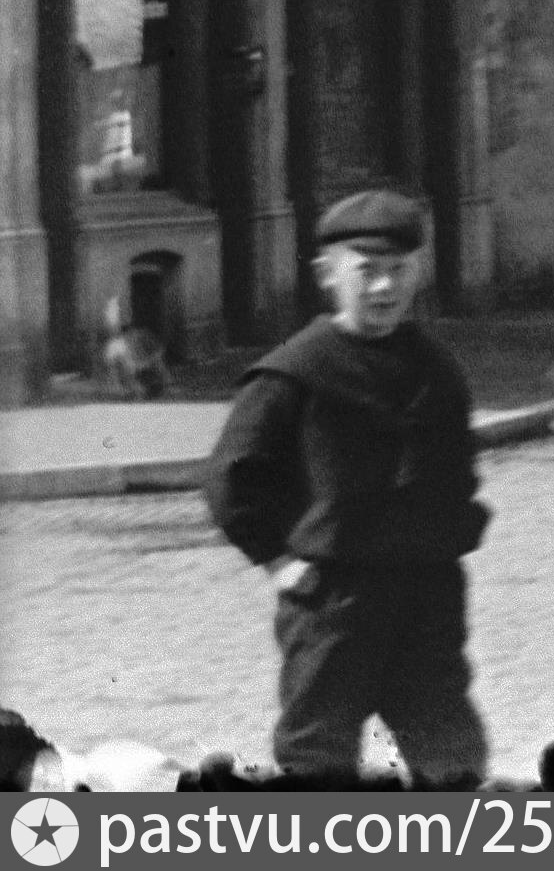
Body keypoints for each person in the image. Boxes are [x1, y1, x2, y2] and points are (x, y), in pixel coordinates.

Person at [204, 189, 489, 785]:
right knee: (319, 758)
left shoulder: (437, 369)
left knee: (451, 754)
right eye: (366, 271)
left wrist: (449, 536)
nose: (384, 288)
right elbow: (232, 478)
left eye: (399, 270)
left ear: (418, 273)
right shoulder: (294, 372)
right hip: (334, 601)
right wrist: (276, 560)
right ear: (327, 275)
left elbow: (458, 471)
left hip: (426, 593)